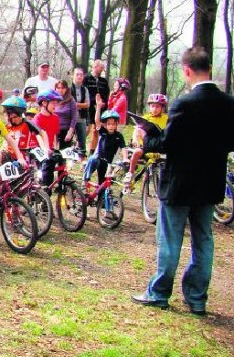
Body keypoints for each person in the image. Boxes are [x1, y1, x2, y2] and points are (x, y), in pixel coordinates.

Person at [131, 47, 234, 315]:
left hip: (180, 183)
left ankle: (160, 292)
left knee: (170, 239)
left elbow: (167, 143)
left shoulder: (183, 104)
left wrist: (147, 138)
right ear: (209, 68)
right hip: (210, 182)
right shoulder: (228, 103)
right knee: (203, 240)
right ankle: (197, 297)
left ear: (187, 70)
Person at [123, 93, 169, 187]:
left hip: (159, 146)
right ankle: (130, 174)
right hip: (146, 145)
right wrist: (135, 139)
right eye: (152, 106)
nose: (154, 109)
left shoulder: (166, 119)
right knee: (136, 152)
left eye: (157, 107)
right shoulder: (146, 118)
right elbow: (137, 130)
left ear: (162, 108)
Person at [82, 99, 127, 189]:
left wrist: (125, 158)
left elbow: (123, 148)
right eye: (109, 124)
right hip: (98, 158)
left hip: (108, 162)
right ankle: (85, 180)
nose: (111, 126)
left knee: (103, 184)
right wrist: (98, 107)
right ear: (105, 125)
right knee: (92, 159)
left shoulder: (119, 136)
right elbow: (97, 121)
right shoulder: (103, 132)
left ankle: (101, 200)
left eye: (113, 124)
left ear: (117, 124)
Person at [0, 96, 49, 163]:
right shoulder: (8, 125)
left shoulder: (27, 123)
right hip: (10, 154)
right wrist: (1, 152)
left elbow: (43, 133)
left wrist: (45, 148)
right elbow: (5, 141)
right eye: (10, 117)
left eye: (15, 117)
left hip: (24, 155)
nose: (14, 120)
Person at [33, 89, 62, 189]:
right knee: (46, 166)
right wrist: (45, 149)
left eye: (56, 103)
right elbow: (38, 135)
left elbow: (55, 135)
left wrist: (55, 148)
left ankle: (60, 186)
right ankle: (43, 188)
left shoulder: (55, 118)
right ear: (44, 103)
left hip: (49, 149)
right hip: (37, 149)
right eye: (53, 103)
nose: (55, 105)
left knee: (61, 159)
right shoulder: (37, 118)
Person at [83, 59, 110, 157]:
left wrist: (103, 103)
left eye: (103, 68)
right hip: (88, 109)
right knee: (86, 129)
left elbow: (107, 94)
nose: (102, 69)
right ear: (95, 67)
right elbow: (84, 92)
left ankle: (92, 151)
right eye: (101, 67)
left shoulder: (104, 81)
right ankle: (79, 146)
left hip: (100, 109)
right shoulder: (86, 78)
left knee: (96, 130)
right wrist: (94, 101)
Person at [71, 67, 90, 159]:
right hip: (69, 118)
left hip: (81, 117)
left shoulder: (85, 89)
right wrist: (79, 104)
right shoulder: (68, 88)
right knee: (68, 139)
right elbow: (67, 103)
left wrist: (75, 104)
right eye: (77, 74)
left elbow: (87, 104)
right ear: (73, 76)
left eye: (81, 75)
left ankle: (82, 160)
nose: (79, 76)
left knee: (82, 140)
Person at [54, 80, 79, 150]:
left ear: (66, 89)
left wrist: (70, 132)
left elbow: (74, 117)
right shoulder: (51, 100)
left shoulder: (71, 100)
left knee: (64, 153)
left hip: (66, 130)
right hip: (53, 130)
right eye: (58, 88)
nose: (60, 90)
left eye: (62, 88)